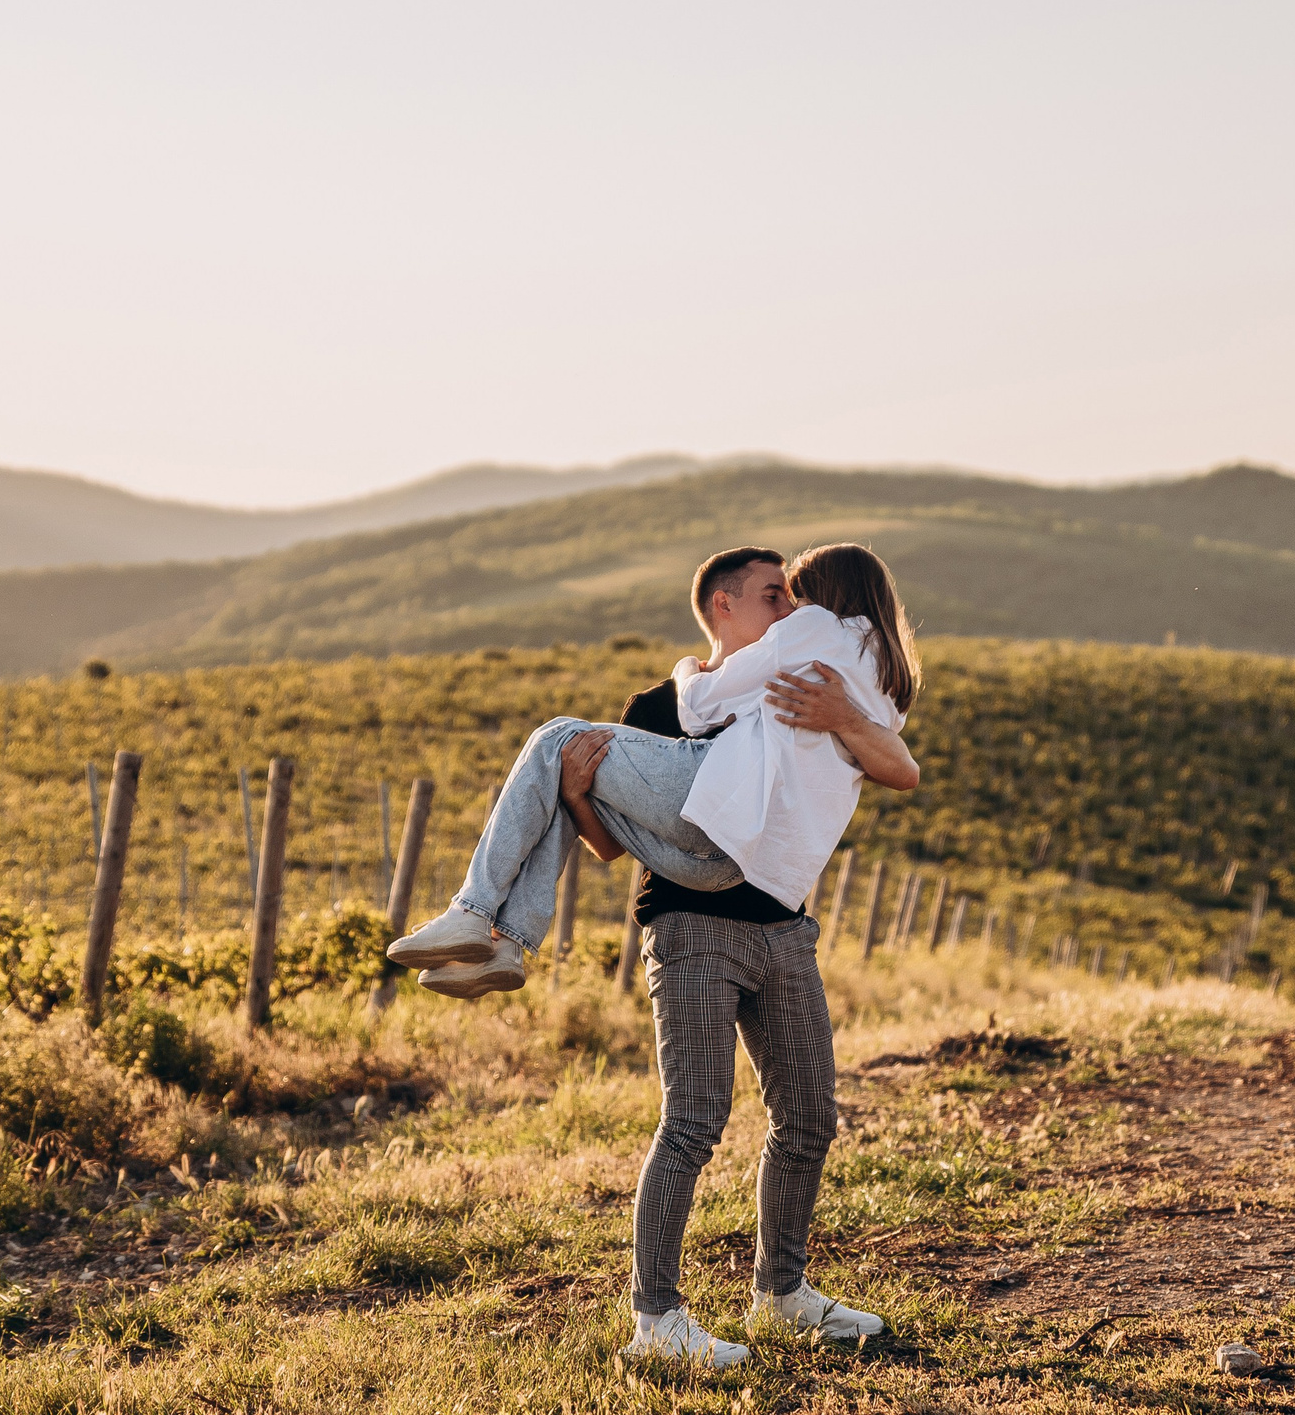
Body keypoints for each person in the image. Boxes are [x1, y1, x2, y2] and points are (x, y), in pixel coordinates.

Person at [385, 543, 919, 1366]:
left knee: (810, 1117)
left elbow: (899, 766)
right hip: (690, 921)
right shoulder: (661, 706)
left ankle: (782, 1294)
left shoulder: (807, 679)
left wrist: (844, 715)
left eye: (794, 596)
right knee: (694, 1121)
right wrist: (571, 795)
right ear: (722, 610)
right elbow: (612, 841)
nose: (787, 610)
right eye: (773, 597)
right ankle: (656, 1320)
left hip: (778, 921)